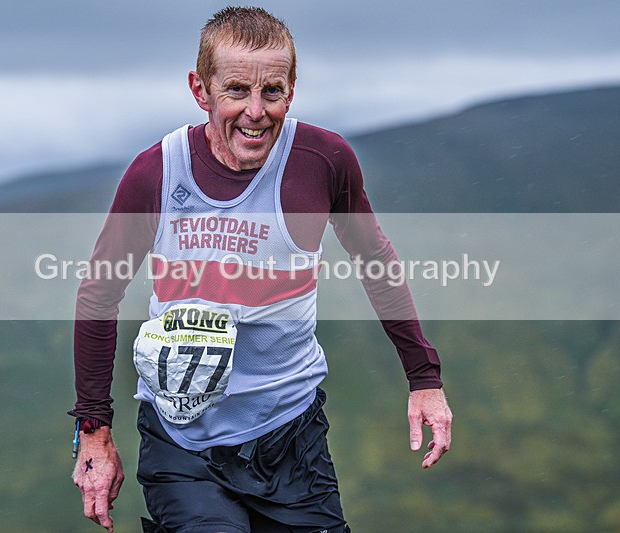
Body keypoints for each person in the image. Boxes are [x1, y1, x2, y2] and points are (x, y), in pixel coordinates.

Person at [69, 6, 452, 532]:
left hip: (290, 436)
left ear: (291, 90)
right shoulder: (155, 173)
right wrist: (94, 432)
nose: (255, 111)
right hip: (182, 443)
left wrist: (423, 380)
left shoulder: (322, 162)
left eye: (272, 91)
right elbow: (98, 295)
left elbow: (375, 261)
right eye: (236, 91)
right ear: (200, 90)